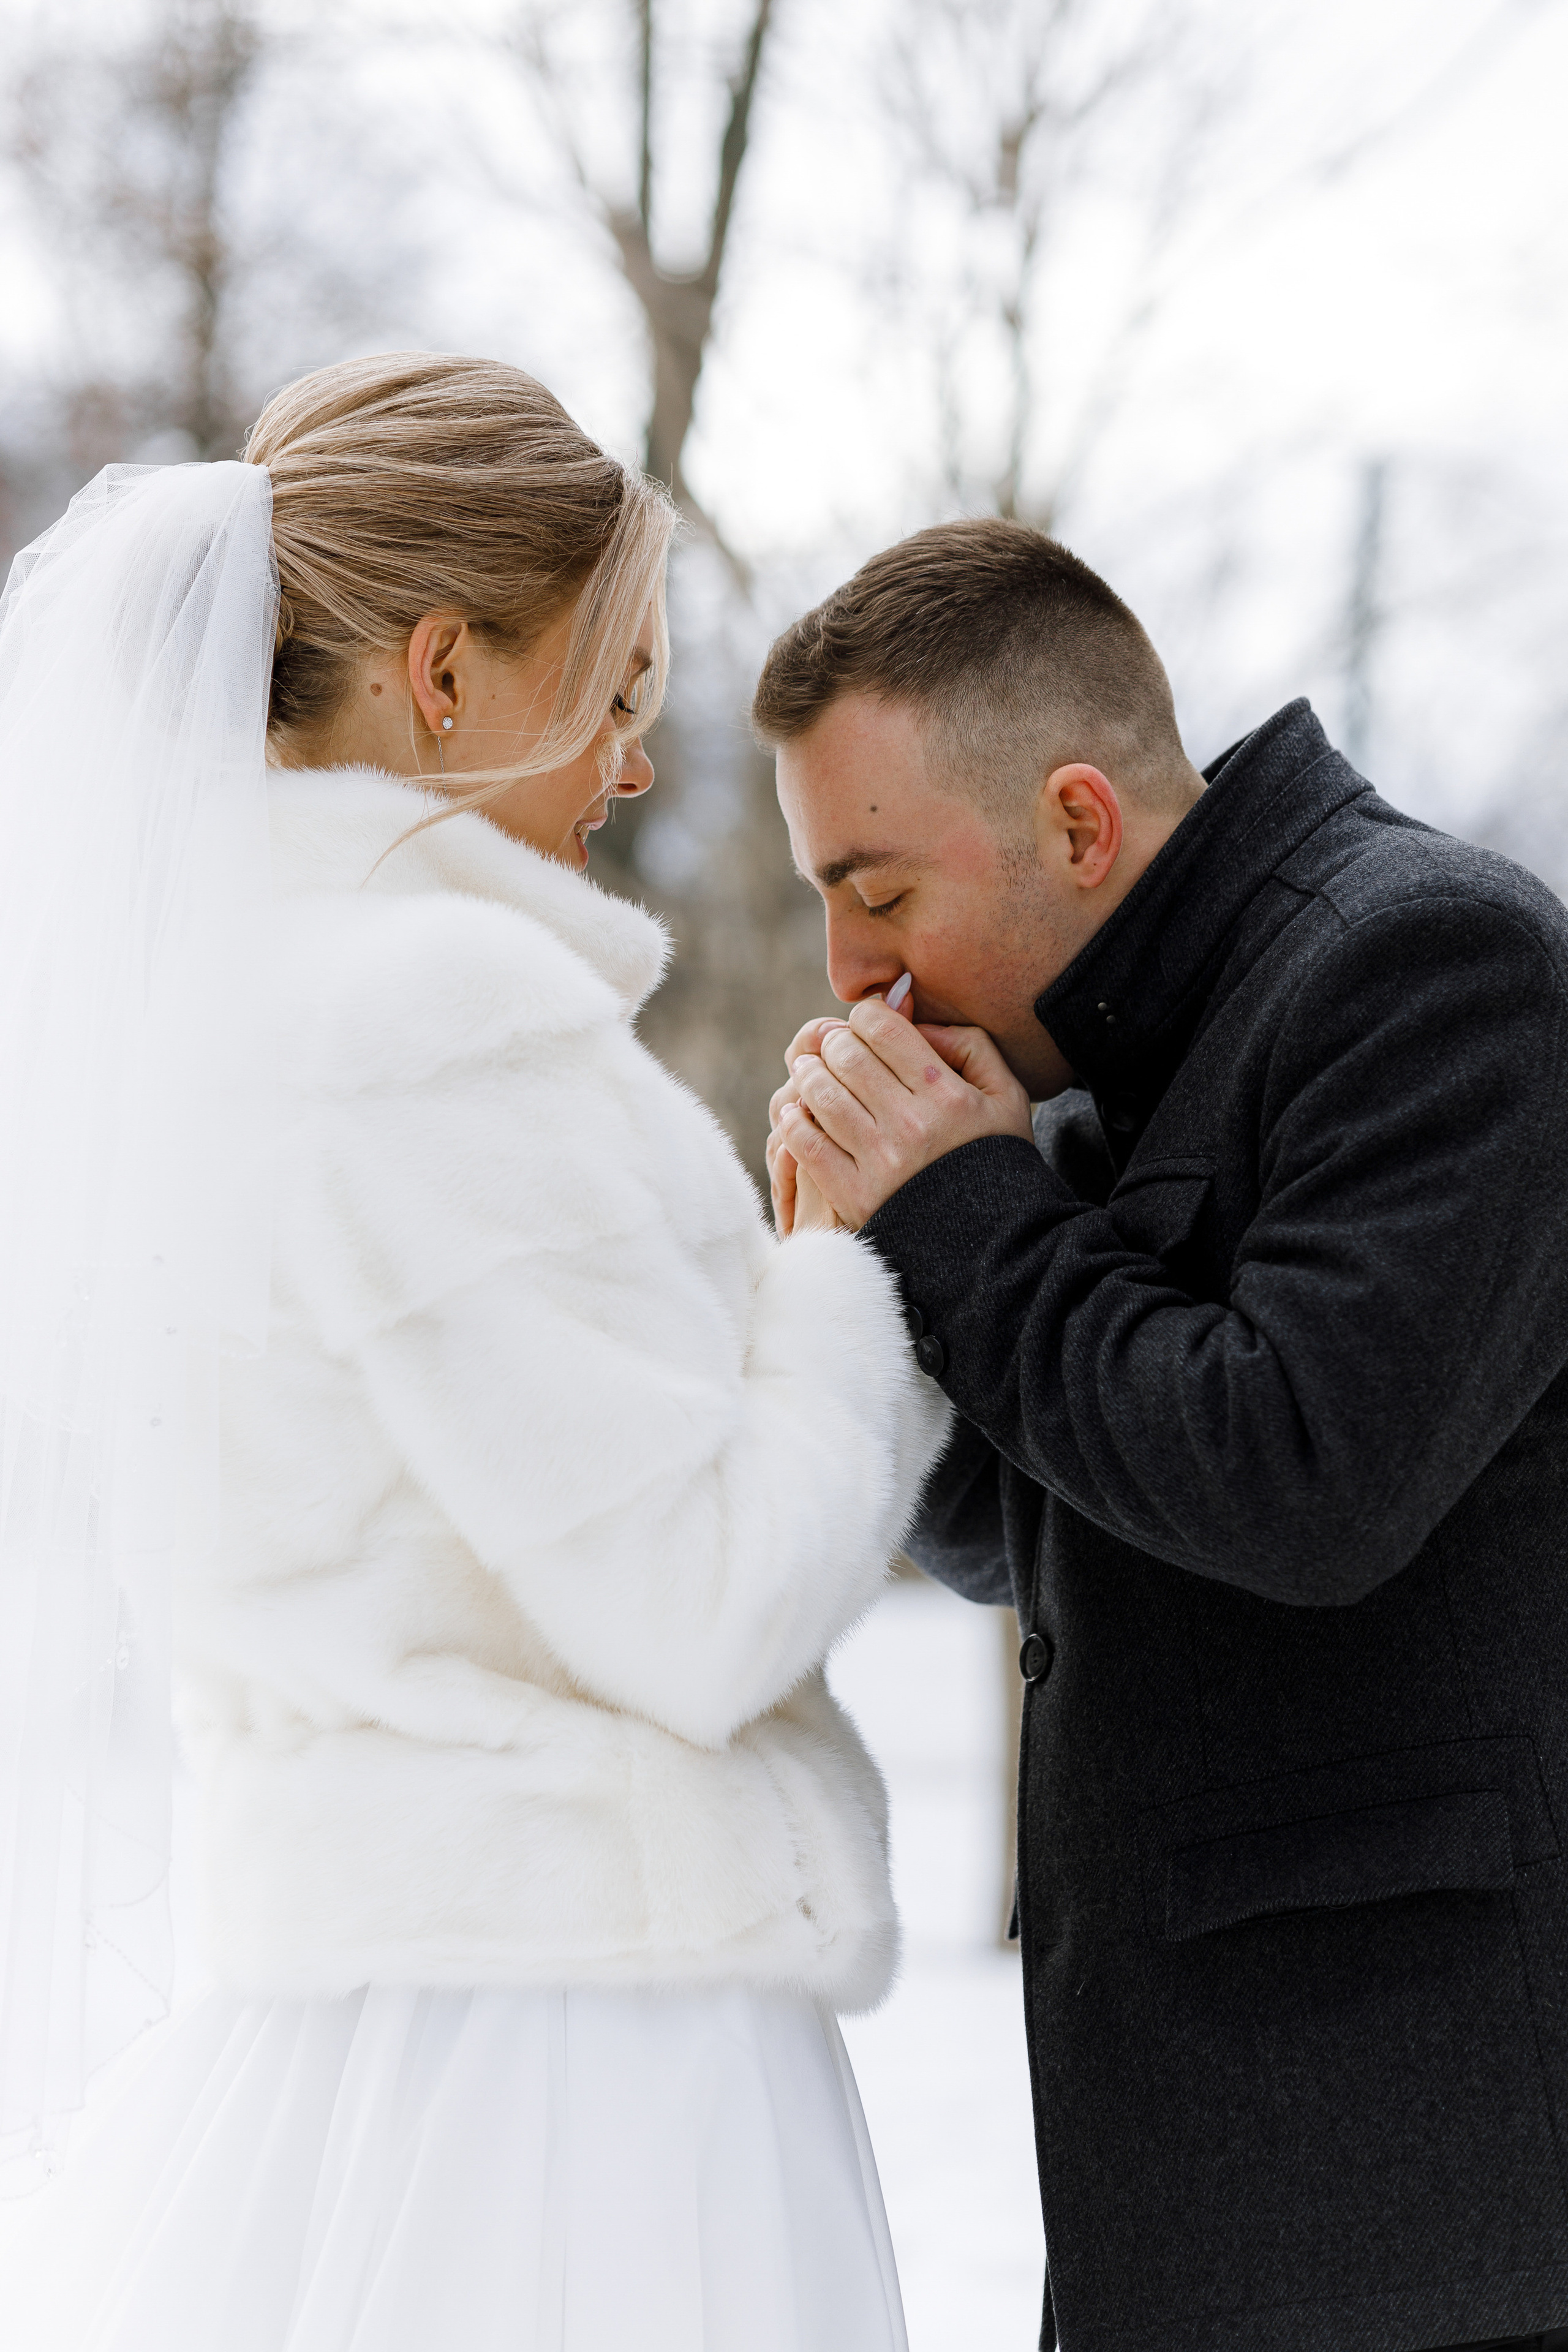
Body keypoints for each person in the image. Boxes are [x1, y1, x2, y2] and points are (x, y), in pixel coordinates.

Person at [0, 355, 952, 2352]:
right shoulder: (437, 1023)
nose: (631, 767)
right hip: (578, 2068)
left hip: (347, 2032)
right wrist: (845, 1260)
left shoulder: (202, 1025)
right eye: (612, 694)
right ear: (441, 675)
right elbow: (706, 1607)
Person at [754, 517, 1568, 2352]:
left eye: (877, 890)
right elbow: (1012, 1532)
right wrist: (858, 1266)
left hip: (1427, 2211)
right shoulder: (1100, 1059)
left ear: (1077, 826)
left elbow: (1308, 1480)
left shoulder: (1431, 968)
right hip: (1199, 2185)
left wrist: (968, 1213)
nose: (848, 971)